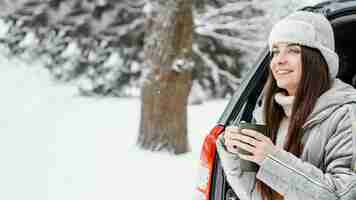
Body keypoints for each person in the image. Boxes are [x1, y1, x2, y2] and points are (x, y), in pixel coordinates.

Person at [216, 11, 356, 200]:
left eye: (293, 50)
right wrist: (233, 155)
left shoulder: (347, 114)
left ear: (317, 59)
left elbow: (344, 194)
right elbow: (261, 197)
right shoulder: (267, 114)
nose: (279, 60)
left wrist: (271, 159)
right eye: (275, 51)